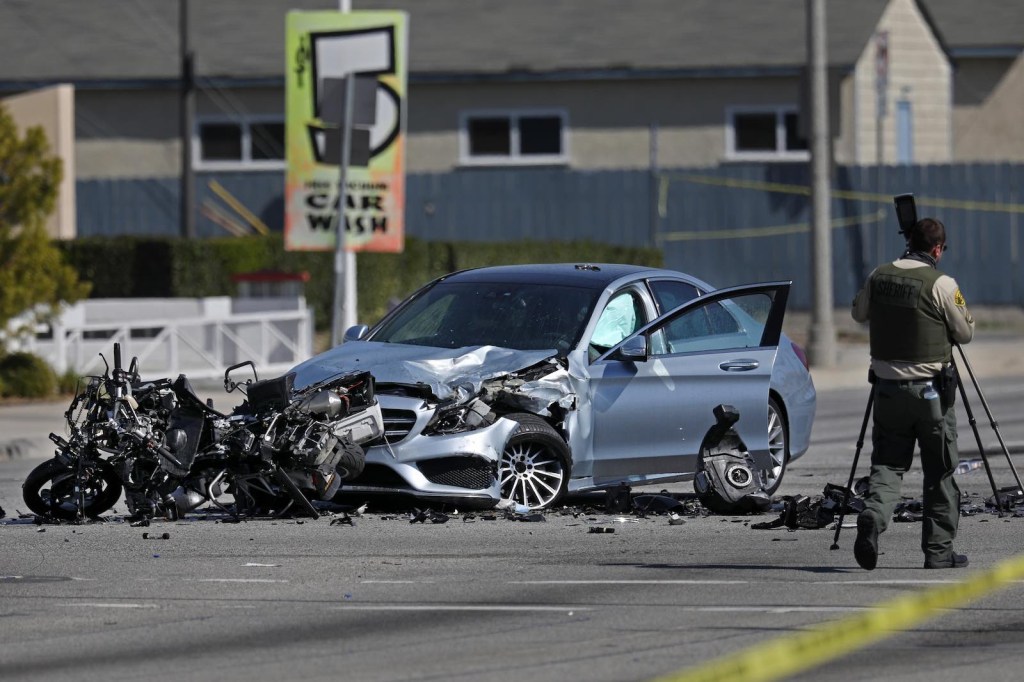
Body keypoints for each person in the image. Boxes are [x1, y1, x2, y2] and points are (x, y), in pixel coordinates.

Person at [850, 217, 975, 570]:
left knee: (887, 464)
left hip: (887, 391)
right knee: (940, 471)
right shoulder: (942, 284)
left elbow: (858, 313)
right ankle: (938, 552)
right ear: (937, 249)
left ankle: (874, 516)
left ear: (908, 243)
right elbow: (964, 333)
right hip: (931, 394)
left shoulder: (878, 275)